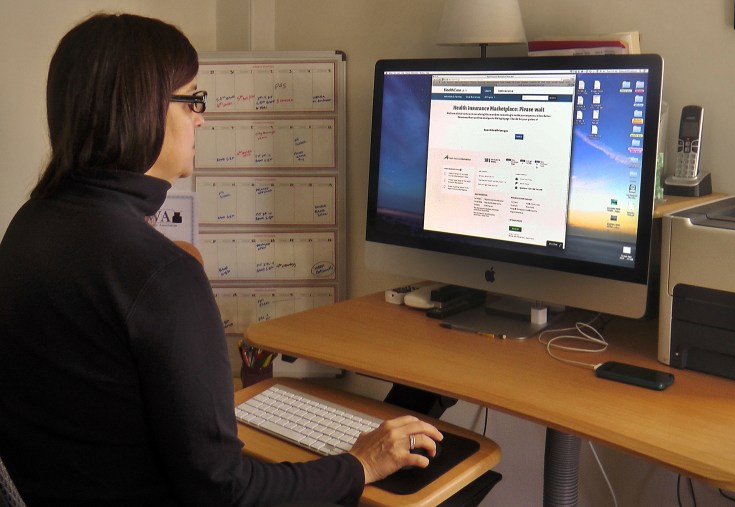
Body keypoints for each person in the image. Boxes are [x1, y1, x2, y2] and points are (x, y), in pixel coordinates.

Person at [0, 13, 442, 506]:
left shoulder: (30, 225)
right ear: (142, 110)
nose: (202, 117)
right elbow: (224, 491)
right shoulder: (160, 275)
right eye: (192, 100)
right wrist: (361, 463)